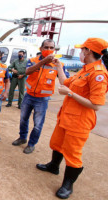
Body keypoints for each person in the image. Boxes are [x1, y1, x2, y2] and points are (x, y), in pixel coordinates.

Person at [36, 38, 108, 199]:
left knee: (72, 153)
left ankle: (68, 185)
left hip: (80, 121)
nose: (81, 52)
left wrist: (70, 94)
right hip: (66, 117)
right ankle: (54, 166)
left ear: (88, 51)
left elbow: (96, 105)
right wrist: (59, 66)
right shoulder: (85, 70)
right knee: (56, 143)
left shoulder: (98, 74)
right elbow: (65, 83)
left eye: (82, 49)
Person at [12, 39, 70, 154]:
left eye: (51, 48)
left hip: (42, 99)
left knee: (38, 124)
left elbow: (66, 81)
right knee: (23, 119)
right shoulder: (32, 61)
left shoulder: (59, 64)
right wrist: (43, 62)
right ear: (41, 49)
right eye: (46, 47)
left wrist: (58, 66)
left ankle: (31, 144)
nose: (49, 50)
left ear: (54, 49)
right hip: (29, 96)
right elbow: (27, 71)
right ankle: (22, 137)